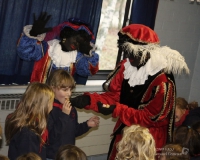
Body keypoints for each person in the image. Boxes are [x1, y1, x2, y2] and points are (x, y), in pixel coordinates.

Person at [70, 24, 190, 160]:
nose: (128, 57)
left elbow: (149, 118)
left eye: (131, 52)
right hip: (126, 131)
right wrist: (89, 100)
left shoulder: (162, 81)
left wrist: (116, 110)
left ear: (145, 51)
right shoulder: (126, 67)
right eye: (125, 52)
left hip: (148, 139)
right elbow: (115, 96)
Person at [17, 12, 99, 85]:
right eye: (77, 39)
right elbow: (24, 53)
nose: (77, 44)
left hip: (61, 99)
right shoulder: (48, 47)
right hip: (38, 97)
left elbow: (88, 71)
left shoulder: (77, 56)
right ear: (67, 35)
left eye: (81, 43)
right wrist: (33, 34)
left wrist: (88, 53)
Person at [46, 69, 100, 159]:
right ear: (53, 88)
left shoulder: (71, 108)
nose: (69, 93)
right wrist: (64, 116)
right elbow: (50, 138)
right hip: (53, 156)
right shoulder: (48, 109)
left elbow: (73, 131)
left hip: (67, 155)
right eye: (65, 90)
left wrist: (87, 125)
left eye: (70, 89)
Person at [5, 82, 55, 160]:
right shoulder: (28, 133)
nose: (53, 105)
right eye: (52, 102)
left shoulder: (35, 124)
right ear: (43, 105)